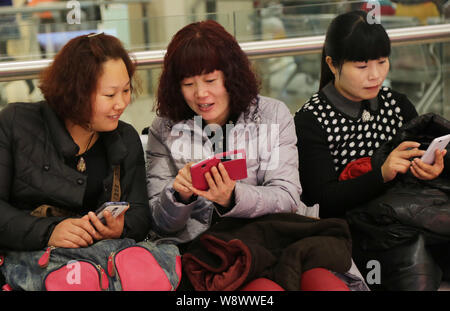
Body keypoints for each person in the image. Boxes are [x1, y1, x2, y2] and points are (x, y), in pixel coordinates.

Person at [146, 20, 354, 291]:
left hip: (280, 236)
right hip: (214, 252)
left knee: (326, 285)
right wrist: (179, 196)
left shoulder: (272, 114)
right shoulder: (164, 128)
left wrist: (233, 197)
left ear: (230, 75)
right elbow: (161, 224)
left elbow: (288, 196)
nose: (201, 94)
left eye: (210, 80)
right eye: (188, 84)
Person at [294, 10, 447, 290]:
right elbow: (322, 199)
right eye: (362, 66)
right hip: (357, 235)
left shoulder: (396, 105)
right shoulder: (310, 120)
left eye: (381, 61)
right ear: (332, 63)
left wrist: (430, 169)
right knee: (415, 255)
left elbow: (417, 165)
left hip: (409, 218)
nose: (375, 75)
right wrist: (382, 174)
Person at [0, 33, 151, 252]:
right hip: (25, 266)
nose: (121, 103)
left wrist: (120, 228)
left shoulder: (125, 138)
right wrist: (49, 232)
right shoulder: (16, 123)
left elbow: (140, 214)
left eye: (126, 91)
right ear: (76, 93)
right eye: (110, 95)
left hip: (95, 269)